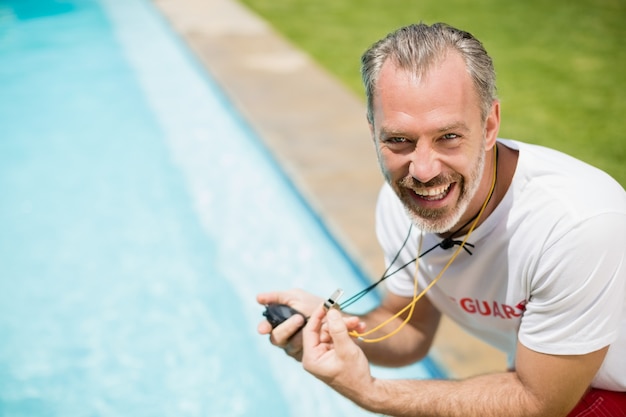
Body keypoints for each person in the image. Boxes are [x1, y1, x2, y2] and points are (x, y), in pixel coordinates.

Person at [257, 22, 626, 416]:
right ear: (373, 132)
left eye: (448, 137)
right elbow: (410, 331)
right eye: (399, 140)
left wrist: (370, 392)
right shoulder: (401, 204)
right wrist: (331, 328)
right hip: (559, 376)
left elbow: (538, 401)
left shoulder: (575, 223)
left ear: (489, 126)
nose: (424, 171)